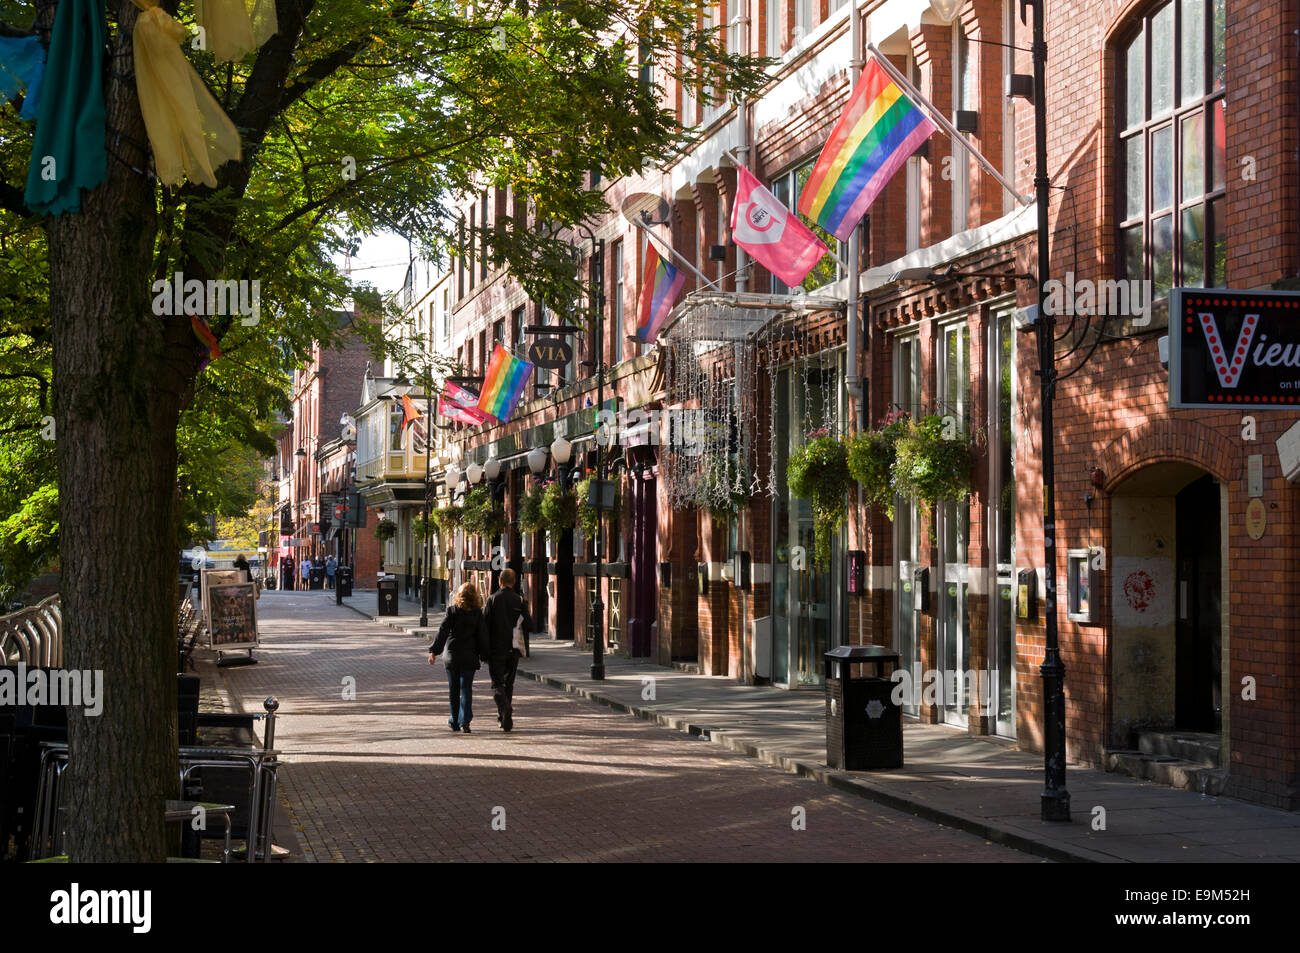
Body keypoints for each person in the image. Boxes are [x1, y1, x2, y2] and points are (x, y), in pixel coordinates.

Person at [429, 582, 489, 733]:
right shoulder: (477, 613)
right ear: (474, 596)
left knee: (453, 689)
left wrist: (434, 651)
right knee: (466, 689)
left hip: (452, 656)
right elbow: (482, 636)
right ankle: (466, 720)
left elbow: (442, 632)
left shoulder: (452, 611)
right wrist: (485, 655)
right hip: (469, 656)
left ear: (459, 595)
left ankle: (454, 721)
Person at [482, 569, 533, 732]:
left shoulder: (492, 599)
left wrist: (483, 651)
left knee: (497, 684)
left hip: (496, 649)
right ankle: (504, 716)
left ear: (500, 581)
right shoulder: (520, 600)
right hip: (514, 649)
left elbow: (484, 627)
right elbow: (530, 625)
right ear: (514, 582)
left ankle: (504, 708)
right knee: (509, 684)